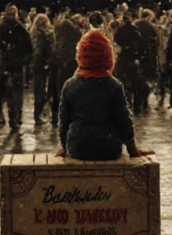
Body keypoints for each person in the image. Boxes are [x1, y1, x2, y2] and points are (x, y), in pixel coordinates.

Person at [57, 30, 154, 161]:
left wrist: (65, 146)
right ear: (107, 56)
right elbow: (123, 122)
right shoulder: (114, 86)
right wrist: (133, 150)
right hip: (108, 148)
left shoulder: (70, 85)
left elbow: (64, 122)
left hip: (78, 148)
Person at [0, 5, 32, 132]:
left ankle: (12, 119)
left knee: (9, 93)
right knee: (17, 93)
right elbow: (28, 47)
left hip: (6, 65)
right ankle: (16, 118)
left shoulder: (1, 26)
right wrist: (23, 61)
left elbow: (0, 47)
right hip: (17, 65)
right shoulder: (19, 27)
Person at [112, 14, 152, 114]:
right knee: (136, 85)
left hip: (122, 60)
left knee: (121, 83)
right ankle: (136, 107)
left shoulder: (120, 30)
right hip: (133, 60)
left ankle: (122, 106)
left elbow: (116, 44)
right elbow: (141, 45)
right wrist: (140, 56)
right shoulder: (135, 31)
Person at [48, 14, 82, 121]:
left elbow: (54, 59)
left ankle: (56, 115)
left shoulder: (58, 44)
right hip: (71, 72)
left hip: (60, 72)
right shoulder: (75, 44)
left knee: (58, 93)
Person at [30, 14, 55, 125]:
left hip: (36, 63)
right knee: (41, 90)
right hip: (42, 63)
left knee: (38, 89)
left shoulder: (33, 34)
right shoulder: (44, 35)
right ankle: (38, 115)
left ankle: (38, 114)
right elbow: (48, 49)